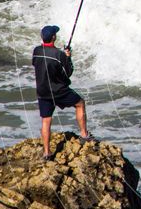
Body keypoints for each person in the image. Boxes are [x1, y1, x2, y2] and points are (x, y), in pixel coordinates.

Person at [32, 25, 95, 160]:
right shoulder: (59, 55)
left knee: (46, 120)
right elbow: (69, 72)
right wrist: (68, 58)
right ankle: (84, 135)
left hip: (43, 91)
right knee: (80, 103)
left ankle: (47, 153)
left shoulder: (36, 51)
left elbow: (37, 64)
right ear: (54, 37)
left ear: (42, 38)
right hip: (59, 91)